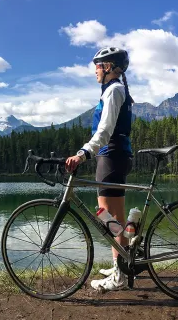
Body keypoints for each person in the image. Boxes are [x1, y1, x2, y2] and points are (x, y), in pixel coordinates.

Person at [65, 47, 134, 291]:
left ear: (108, 67)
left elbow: (104, 131)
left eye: (98, 65)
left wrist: (84, 153)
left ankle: (119, 276)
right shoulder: (115, 90)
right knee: (116, 219)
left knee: (109, 218)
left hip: (111, 156)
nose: (94, 70)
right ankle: (122, 264)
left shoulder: (114, 90)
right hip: (116, 155)